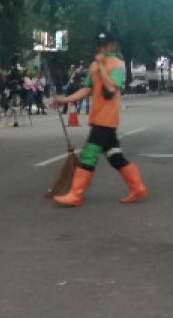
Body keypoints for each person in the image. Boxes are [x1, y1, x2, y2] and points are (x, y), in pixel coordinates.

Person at [50, 31, 147, 207]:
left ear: (113, 45)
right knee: (115, 156)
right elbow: (86, 89)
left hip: (106, 119)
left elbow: (111, 89)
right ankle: (137, 187)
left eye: (105, 44)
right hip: (98, 118)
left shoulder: (117, 65)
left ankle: (75, 195)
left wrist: (102, 66)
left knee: (88, 155)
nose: (102, 48)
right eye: (99, 44)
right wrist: (63, 99)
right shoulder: (94, 66)